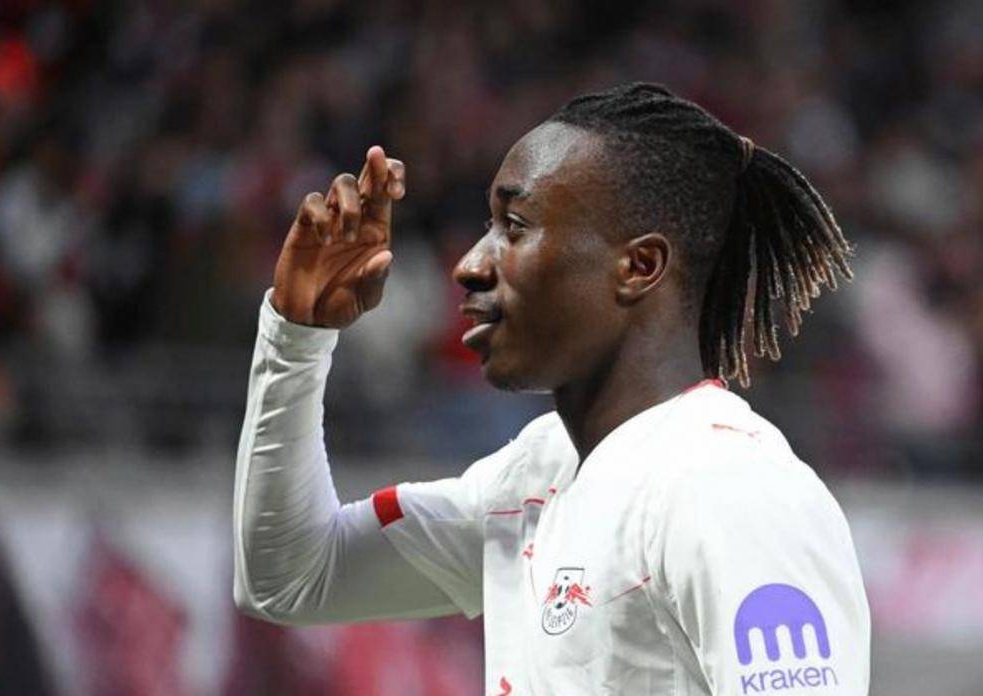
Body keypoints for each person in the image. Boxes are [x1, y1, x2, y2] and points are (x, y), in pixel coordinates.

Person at [233, 83, 870, 695]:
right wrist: (296, 337)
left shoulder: (728, 487)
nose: (470, 265)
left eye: (514, 226)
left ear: (639, 266)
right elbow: (291, 577)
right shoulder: (533, 479)